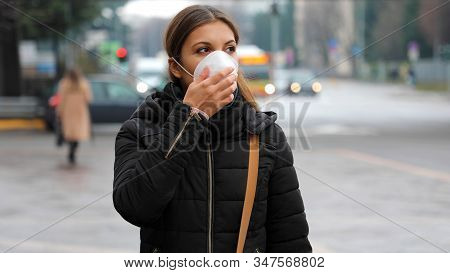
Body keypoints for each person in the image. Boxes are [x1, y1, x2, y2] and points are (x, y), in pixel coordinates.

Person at [113, 5, 312, 253]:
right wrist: (190, 117)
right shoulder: (142, 128)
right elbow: (135, 206)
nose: (221, 60)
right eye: (203, 50)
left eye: (229, 49)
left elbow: (290, 240)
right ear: (176, 67)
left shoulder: (265, 134)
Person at [56, 68, 92, 164]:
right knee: (77, 133)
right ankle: (73, 150)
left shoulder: (64, 83)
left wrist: (59, 111)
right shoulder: (83, 84)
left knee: (70, 132)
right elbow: (88, 99)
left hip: (68, 110)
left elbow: (61, 99)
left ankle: (71, 148)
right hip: (80, 111)